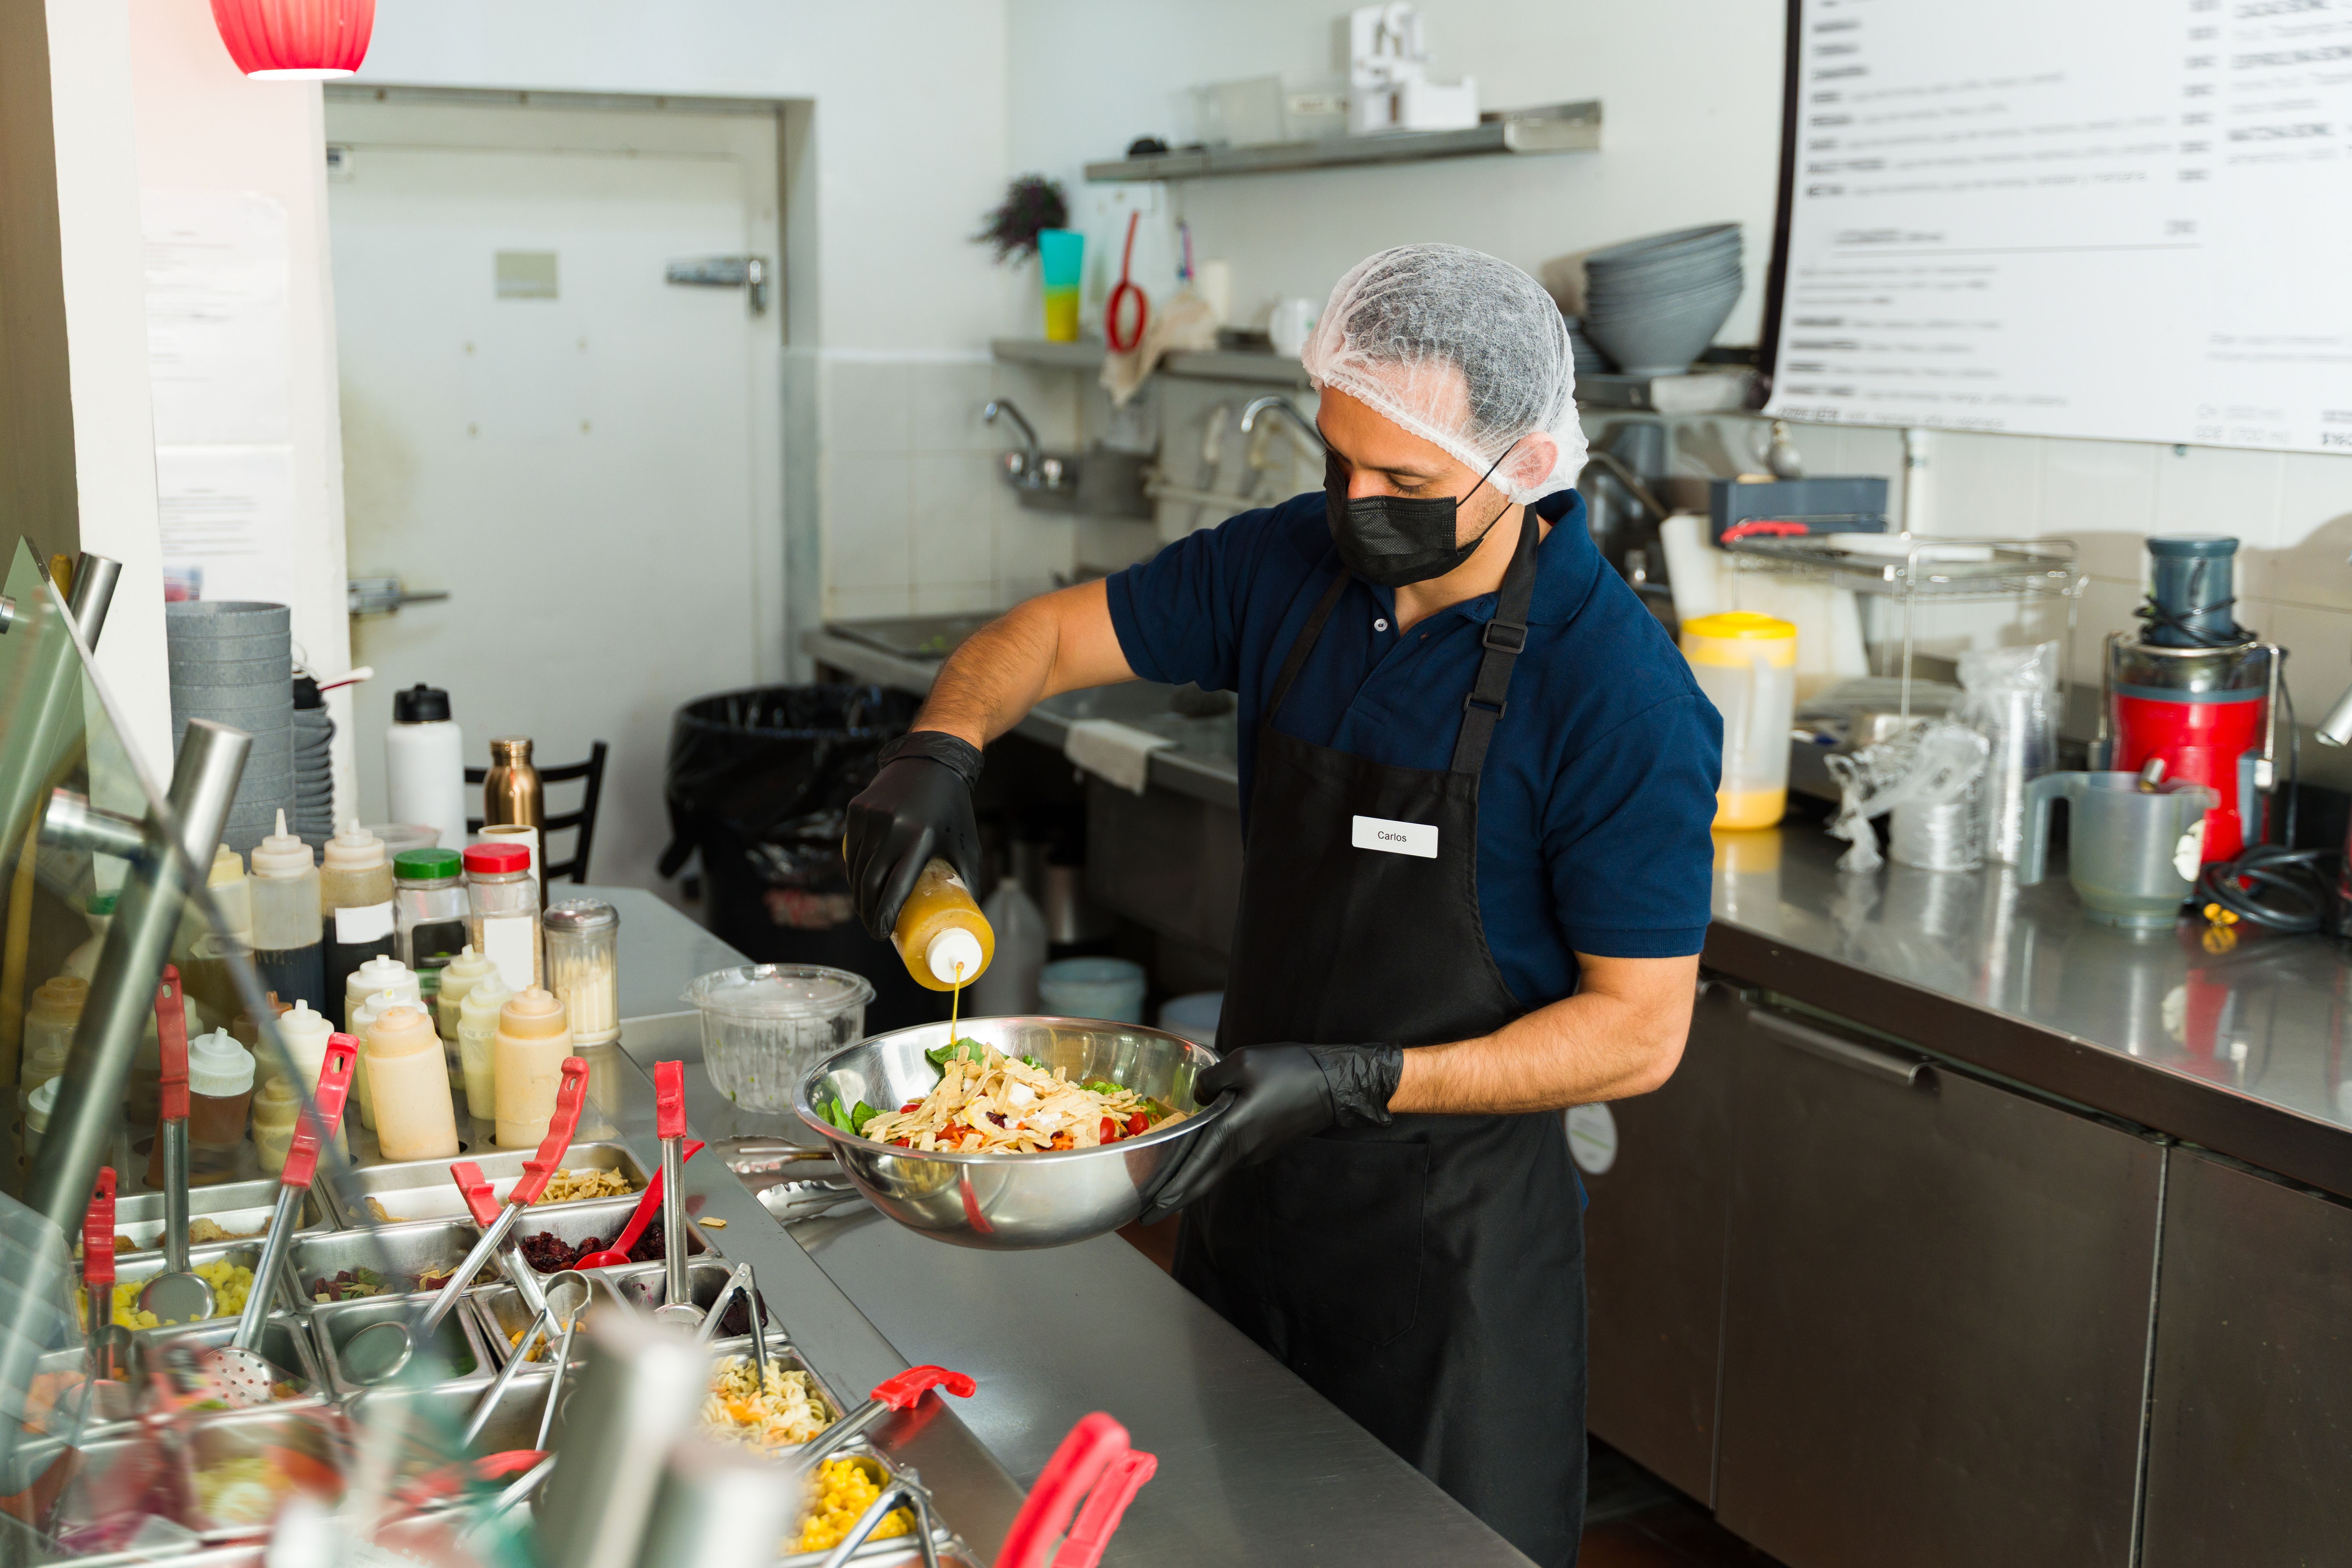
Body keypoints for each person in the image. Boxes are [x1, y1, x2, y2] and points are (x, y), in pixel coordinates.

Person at [844, 243, 1721, 1567]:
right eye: (1339, 461)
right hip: (1246, 1203)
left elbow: (1637, 1034)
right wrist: (940, 751)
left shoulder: (1621, 698)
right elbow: (1042, 637)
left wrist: (1353, 1080)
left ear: (1528, 465)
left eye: (1405, 482)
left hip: (1453, 1265)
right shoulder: (1287, 570)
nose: (1357, 503)